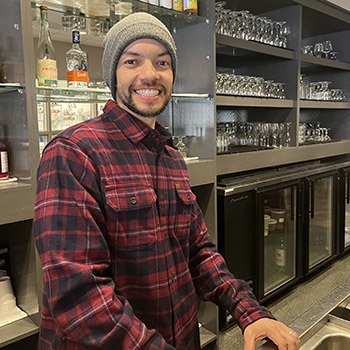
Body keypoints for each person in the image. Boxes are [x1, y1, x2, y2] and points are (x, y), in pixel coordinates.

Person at [34, 12, 300, 350]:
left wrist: (251, 312)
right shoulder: (74, 153)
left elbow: (198, 252)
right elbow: (79, 298)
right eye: (132, 61)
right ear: (112, 75)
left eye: (162, 63)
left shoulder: (171, 156)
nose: (150, 75)